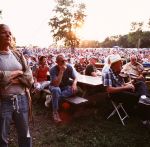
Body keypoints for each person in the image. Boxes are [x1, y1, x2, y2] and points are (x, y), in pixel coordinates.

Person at [0, 24, 34, 147]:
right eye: (4, 32)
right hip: (3, 101)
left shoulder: (18, 55)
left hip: (22, 99)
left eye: (10, 32)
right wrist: (18, 73)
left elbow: (29, 78)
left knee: (25, 135)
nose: (8, 35)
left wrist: (7, 79)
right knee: (2, 138)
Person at [102, 54, 150, 126]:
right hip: (115, 94)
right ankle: (144, 118)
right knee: (137, 96)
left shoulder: (118, 71)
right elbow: (109, 90)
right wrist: (126, 87)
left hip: (122, 90)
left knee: (140, 83)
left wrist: (130, 84)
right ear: (114, 64)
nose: (122, 64)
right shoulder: (107, 73)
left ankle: (144, 98)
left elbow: (123, 84)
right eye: (120, 63)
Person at [50, 54, 78, 123]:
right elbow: (56, 84)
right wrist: (61, 71)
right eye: (62, 61)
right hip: (54, 86)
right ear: (57, 62)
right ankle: (55, 112)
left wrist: (74, 84)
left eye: (65, 60)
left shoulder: (69, 67)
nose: (64, 62)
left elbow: (76, 77)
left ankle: (53, 99)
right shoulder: (53, 70)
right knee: (56, 90)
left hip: (64, 87)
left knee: (75, 89)